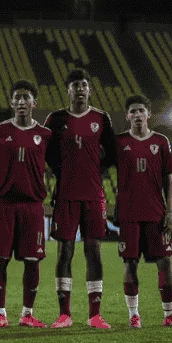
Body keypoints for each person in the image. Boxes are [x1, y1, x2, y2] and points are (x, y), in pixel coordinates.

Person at [44, 68, 116, 329]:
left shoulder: (101, 118)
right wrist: (61, 169)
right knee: (65, 251)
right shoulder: (56, 118)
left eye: (84, 85)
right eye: (75, 86)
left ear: (89, 89)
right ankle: (64, 314)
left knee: (93, 251)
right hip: (65, 194)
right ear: (69, 91)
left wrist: (96, 168)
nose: (80, 89)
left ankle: (95, 314)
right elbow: (47, 151)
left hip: (93, 195)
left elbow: (113, 152)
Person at [0, 80, 52, 329]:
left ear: (34, 103)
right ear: (11, 103)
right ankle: (1, 314)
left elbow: (58, 166)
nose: (21, 102)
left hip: (33, 206)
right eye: (17, 98)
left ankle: (27, 314)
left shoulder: (45, 135)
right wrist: (0, 179)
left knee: (33, 261)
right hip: (3, 205)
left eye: (26, 97)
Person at [114, 95, 172, 328]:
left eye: (141, 111)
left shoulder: (161, 141)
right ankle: (134, 315)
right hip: (128, 214)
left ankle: (169, 315)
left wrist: (170, 210)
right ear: (127, 116)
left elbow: (169, 179)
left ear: (148, 114)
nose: (137, 115)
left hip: (156, 213)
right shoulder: (119, 142)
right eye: (132, 111)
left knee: (165, 262)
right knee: (130, 263)